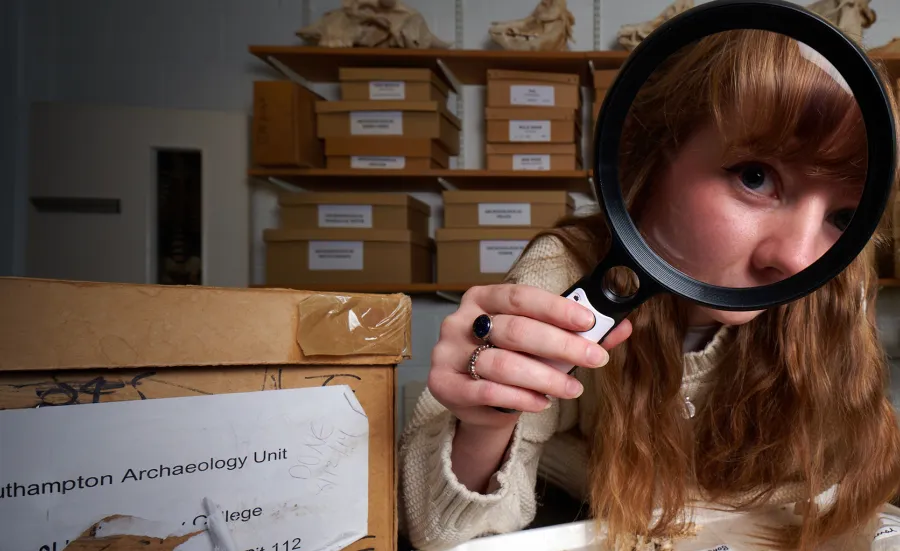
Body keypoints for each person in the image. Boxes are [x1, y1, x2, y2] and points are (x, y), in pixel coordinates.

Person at [398, 29, 900, 551]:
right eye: (755, 177)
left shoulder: (834, 282)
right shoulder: (569, 271)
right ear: (651, 158)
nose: (797, 259)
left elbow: (831, 483)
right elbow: (444, 533)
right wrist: (484, 423)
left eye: (842, 216)